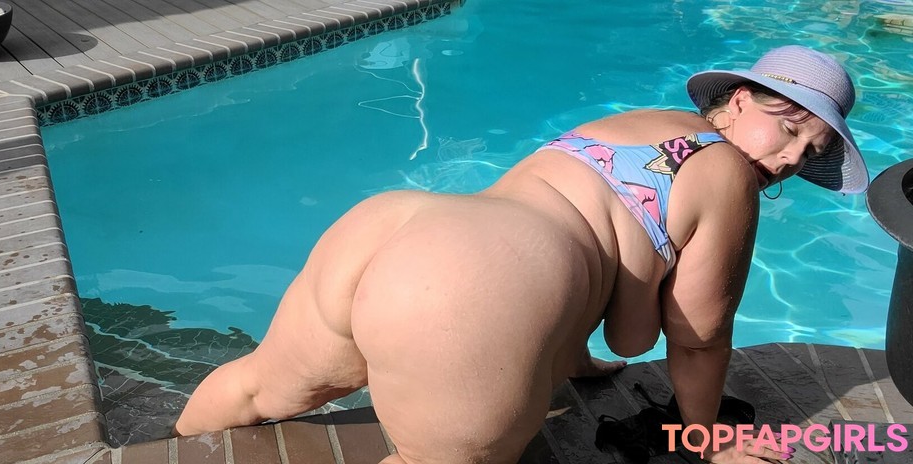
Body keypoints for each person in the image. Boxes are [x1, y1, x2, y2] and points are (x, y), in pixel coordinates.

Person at [173, 45, 868, 464]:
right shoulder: (729, 175)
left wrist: (574, 358)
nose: (789, 159)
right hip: (471, 287)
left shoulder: (638, 122)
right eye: (788, 128)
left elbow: (584, 236)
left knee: (258, 387)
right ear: (739, 99)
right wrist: (707, 439)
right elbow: (698, 335)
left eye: (810, 152)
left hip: (395, 224)